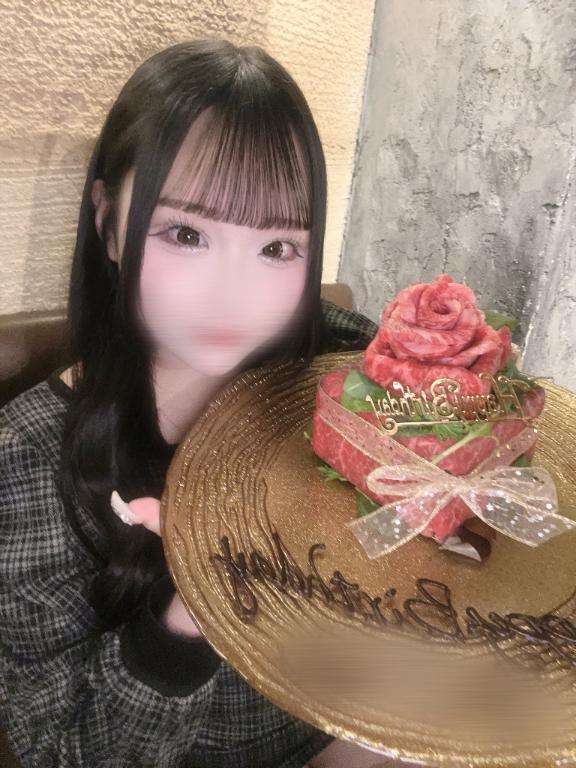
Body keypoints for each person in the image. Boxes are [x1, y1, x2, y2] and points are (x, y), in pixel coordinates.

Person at [0, 38, 382, 767]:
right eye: (186, 233)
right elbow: (62, 752)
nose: (233, 293)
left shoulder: (343, 364)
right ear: (109, 224)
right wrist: (201, 597)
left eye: (276, 248)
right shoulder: (25, 467)